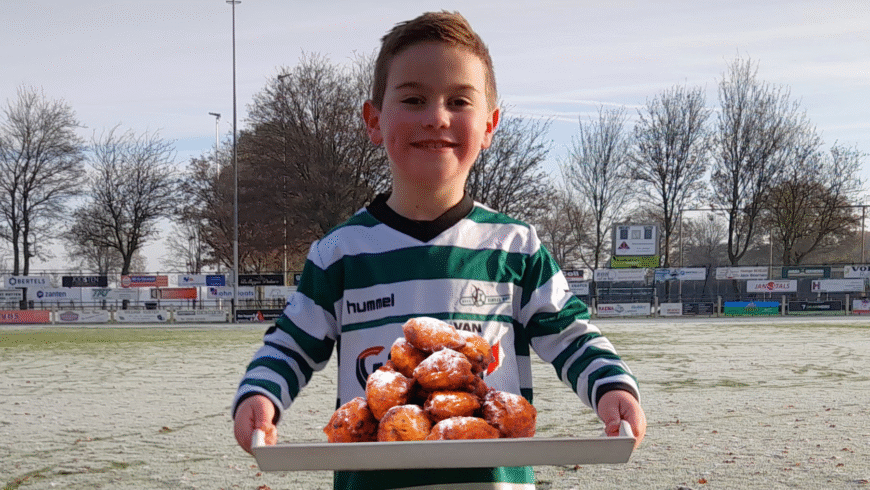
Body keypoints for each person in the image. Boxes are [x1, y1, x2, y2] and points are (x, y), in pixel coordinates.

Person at [233, 10, 646, 490]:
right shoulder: (339, 254)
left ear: (489, 125)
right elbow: (290, 345)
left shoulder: (516, 247)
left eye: (459, 100)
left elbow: (572, 335)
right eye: (413, 98)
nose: (436, 117)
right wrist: (259, 395)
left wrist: (613, 388)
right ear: (373, 120)